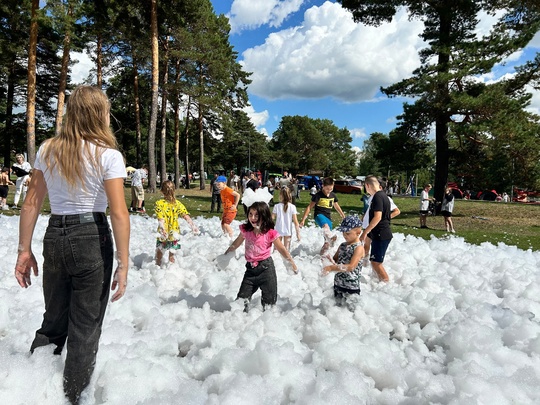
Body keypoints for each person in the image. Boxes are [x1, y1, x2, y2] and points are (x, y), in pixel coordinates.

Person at [14, 85, 130, 404]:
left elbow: (31, 204)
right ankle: (73, 398)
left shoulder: (49, 149)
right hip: (92, 236)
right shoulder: (108, 156)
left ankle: (28, 391)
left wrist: (24, 250)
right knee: (84, 330)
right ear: (98, 114)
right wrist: (123, 261)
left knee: (53, 321)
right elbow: (119, 213)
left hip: (54, 235)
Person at [225, 201, 297, 311]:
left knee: (269, 305)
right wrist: (226, 254)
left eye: (256, 215)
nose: (253, 217)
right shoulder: (246, 230)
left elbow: (281, 248)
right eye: (250, 214)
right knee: (240, 302)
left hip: (266, 270)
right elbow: (237, 243)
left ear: (264, 216)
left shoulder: (269, 232)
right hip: (250, 271)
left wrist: (291, 262)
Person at [322, 215, 364, 308]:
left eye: (348, 233)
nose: (345, 235)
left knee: (351, 314)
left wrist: (331, 268)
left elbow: (351, 267)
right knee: (338, 312)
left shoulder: (359, 248)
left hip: (351, 288)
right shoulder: (342, 245)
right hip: (338, 284)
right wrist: (328, 259)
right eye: (343, 232)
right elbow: (335, 260)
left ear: (358, 232)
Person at [154, 180, 199, 266]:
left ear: (162, 191)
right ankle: (171, 268)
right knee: (172, 254)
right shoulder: (177, 204)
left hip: (163, 232)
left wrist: (162, 228)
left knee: (159, 253)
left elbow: (161, 219)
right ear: (174, 190)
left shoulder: (159, 203)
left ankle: (157, 267)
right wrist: (193, 226)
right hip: (174, 233)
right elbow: (186, 216)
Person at [300, 177, 346, 254]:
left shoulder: (333, 195)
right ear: (323, 186)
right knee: (326, 227)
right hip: (319, 215)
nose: (329, 191)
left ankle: (321, 256)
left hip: (328, 218)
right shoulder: (318, 195)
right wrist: (303, 220)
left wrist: (343, 215)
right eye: (327, 189)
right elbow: (309, 207)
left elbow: (336, 206)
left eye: (331, 189)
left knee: (327, 243)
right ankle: (331, 238)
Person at [361, 179, 400, 268]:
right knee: (366, 245)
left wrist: (384, 218)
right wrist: (364, 217)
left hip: (376, 227)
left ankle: (370, 264)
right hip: (369, 225)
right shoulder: (372, 197)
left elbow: (397, 211)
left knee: (376, 261)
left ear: (380, 187)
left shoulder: (383, 197)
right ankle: (364, 264)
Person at [360, 175, 392, 282]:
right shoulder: (383, 195)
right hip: (380, 233)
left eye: (365, 187)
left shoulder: (377, 197)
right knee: (375, 261)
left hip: (381, 234)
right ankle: (378, 283)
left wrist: (365, 232)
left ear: (367, 185)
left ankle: (386, 284)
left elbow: (377, 217)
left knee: (376, 263)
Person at [272, 187, 301, 251]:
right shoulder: (292, 207)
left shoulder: (276, 206)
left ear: (280, 195)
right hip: (288, 231)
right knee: (286, 251)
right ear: (290, 195)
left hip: (278, 231)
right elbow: (296, 222)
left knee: (276, 251)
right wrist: (298, 234)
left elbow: (272, 219)